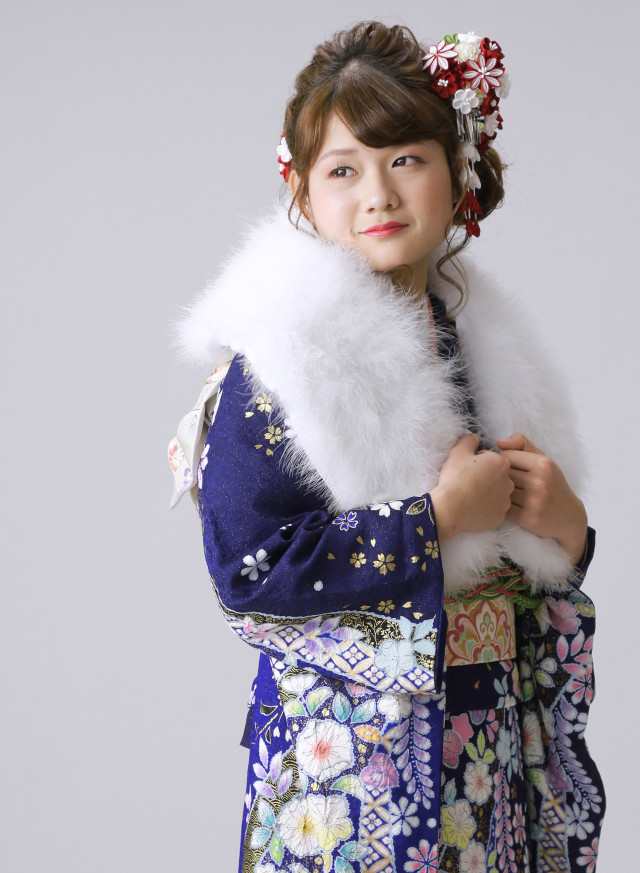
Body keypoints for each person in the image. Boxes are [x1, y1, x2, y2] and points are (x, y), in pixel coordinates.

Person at [168, 21, 604, 873]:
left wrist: (568, 531)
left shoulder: (482, 347)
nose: (379, 194)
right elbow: (248, 569)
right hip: (347, 771)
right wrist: (433, 520)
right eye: (344, 170)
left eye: (406, 158)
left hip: (484, 754)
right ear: (302, 194)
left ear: (457, 169)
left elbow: (523, 581)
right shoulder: (282, 366)